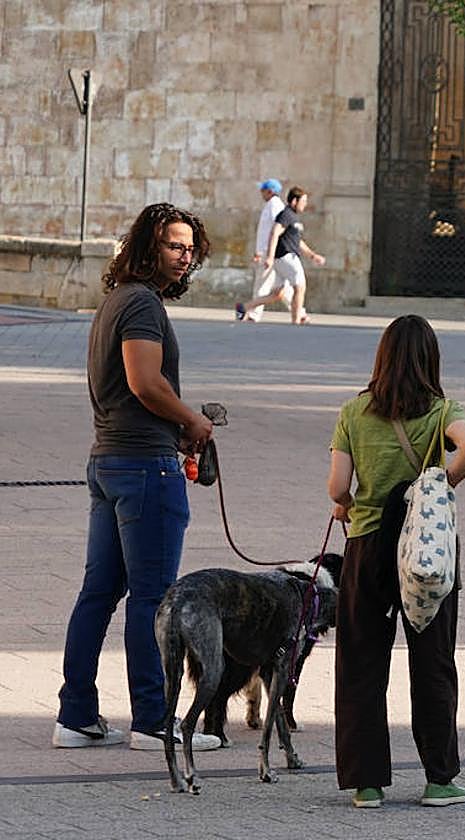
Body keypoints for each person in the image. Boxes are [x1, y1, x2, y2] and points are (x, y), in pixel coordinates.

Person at [53, 203, 222, 753]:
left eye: (190, 247)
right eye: (175, 245)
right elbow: (146, 383)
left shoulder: (116, 302)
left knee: (98, 593)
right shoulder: (142, 304)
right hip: (143, 466)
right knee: (152, 599)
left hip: (110, 460)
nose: (185, 256)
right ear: (148, 247)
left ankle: (76, 716)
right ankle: (152, 721)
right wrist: (192, 419)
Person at [327, 314, 465, 809]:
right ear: (430, 360)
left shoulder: (354, 412)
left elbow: (337, 486)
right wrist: (440, 482)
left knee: (361, 663)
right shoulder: (442, 411)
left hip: (369, 544)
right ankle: (439, 779)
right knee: (433, 659)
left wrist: (344, 505)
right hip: (426, 548)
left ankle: (367, 783)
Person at [236, 186, 325, 325]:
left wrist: (312, 255)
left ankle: (244, 307)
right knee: (299, 287)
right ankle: (296, 321)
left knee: (277, 294)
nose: (305, 204)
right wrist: (270, 257)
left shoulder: (293, 218)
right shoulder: (286, 214)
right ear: (294, 201)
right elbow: (275, 232)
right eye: (303, 201)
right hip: (286, 256)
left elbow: (298, 241)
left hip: (284, 257)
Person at [245, 178, 288, 323]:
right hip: (267, 252)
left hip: (269, 252)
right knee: (281, 287)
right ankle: (299, 312)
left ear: (270, 191)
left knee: (262, 284)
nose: (261, 193)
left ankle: (254, 314)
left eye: (263, 190)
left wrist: (267, 253)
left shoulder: (275, 205)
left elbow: (277, 229)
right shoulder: (271, 205)